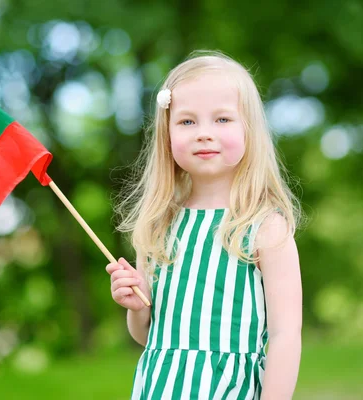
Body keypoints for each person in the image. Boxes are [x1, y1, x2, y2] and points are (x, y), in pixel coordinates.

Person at [106, 50, 303, 399]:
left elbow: (286, 335)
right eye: (187, 122)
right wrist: (136, 308)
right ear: (166, 135)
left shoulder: (265, 228)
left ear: (249, 130)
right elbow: (146, 334)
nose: (204, 133)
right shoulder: (157, 225)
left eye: (222, 120)